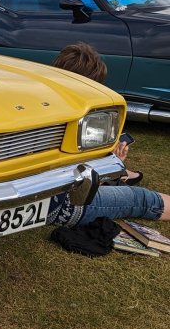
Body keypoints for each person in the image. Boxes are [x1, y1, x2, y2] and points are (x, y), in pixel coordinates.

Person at [47, 43, 169, 227]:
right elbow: (76, 179)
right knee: (142, 199)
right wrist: (110, 164)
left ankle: (124, 174)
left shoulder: (42, 107)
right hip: (62, 205)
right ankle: (123, 174)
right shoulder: (75, 114)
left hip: (41, 195)